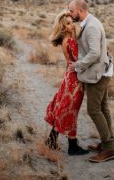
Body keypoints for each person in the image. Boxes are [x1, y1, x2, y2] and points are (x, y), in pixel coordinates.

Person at [68, 0, 114, 163]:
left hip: (98, 74)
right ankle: (107, 143)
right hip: (102, 70)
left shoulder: (92, 26)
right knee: (103, 107)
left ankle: (109, 149)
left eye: (72, 11)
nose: (70, 14)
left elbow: (95, 53)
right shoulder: (90, 23)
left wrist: (77, 65)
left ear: (80, 10)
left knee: (94, 110)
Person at [44, 11, 89, 156]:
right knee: (71, 110)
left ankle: (52, 139)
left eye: (72, 22)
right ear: (63, 27)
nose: (72, 25)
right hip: (75, 79)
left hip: (69, 76)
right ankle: (72, 146)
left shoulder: (67, 40)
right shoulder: (70, 41)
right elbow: (79, 60)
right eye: (68, 24)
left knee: (64, 107)